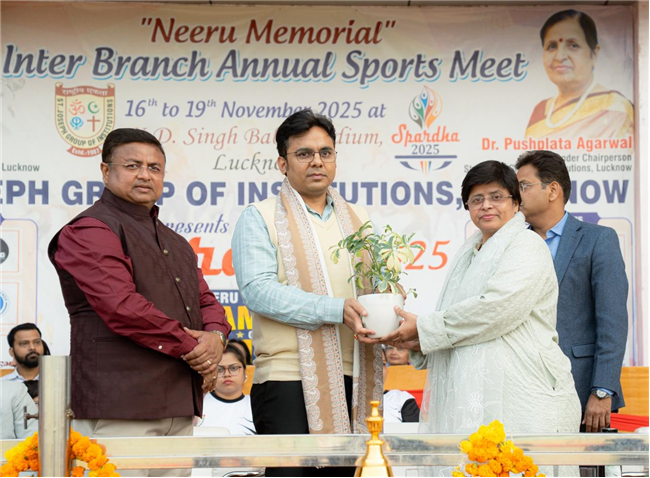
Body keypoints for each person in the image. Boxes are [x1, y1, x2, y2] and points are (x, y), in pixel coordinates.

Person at [48, 128, 231, 478]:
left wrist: (217, 338)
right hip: (120, 407)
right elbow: (121, 307)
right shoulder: (89, 230)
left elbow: (206, 301)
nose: (145, 175)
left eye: (154, 167)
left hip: (179, 407)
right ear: (106, 171)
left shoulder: (176, 243)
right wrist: (195, 348)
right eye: (133, 165)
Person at [381, 161, 581, 477]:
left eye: (496, 197)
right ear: (467, 207)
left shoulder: (528, 245)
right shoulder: (468, 253)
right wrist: (415, 339)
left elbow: (496, 310)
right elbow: (458, 325)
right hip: (476, 399)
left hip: (521, 397)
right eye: (477, 199)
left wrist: (424, 328)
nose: (486, 205)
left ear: (516, 203)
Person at [232, 109, 383, 478]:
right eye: (304, 153)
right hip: (287, 377)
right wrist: (335, 309)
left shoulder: (359, 218)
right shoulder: (260, 216)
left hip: (355, 374)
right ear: (283, 164)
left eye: (325, 152)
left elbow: (377, 283)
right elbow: (259, 291)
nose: (317, 161)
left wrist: (389, 307)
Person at [516, 150, 628, 433]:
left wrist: (602, 390)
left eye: (524, 186)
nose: (515, 194)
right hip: (522, 389)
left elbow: (612, 322)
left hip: (581, 389)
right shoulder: (513, 244)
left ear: (553, 190)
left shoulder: (598, 239)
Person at [525, 9, 634, 139]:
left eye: (573, 45)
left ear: (594, 54)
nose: (559, 57)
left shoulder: (614, 107)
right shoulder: (540, 111)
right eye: (552, 46)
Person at [198, 344, 256, 435]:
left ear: (245, 372)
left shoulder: (256, 406)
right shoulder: (198, 405)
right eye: (219, 369)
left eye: (233, 368)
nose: (227, 374)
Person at [381, 348, 419, 424]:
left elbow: (414, 430)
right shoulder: (355, 400)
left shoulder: (403, 399)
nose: (377, 369)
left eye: (382, 364)